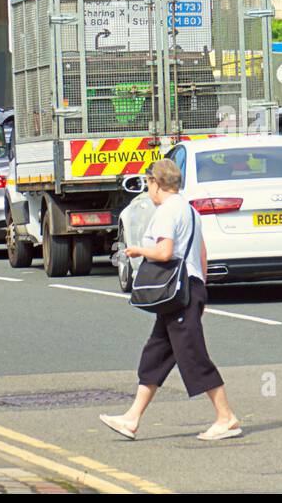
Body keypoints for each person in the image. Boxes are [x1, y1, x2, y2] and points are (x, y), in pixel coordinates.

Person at [99, 158, 242, 441]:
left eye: (149, 183)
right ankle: (132, 418)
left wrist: (138, 250)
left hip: (180, 293)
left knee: (193, 355)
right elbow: (201, 254)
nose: (148, 190)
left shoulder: (166, 212)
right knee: (156, 354)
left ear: (156, 184)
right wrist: (200, 290)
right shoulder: (189, 210)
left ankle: (226, 418)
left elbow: (164, 253)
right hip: (189, 289)